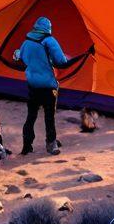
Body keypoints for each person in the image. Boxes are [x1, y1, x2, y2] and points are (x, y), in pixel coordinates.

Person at [14, 17, 93, 155]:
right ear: (48, 28)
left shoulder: (26, 42)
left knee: (31, 116)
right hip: (48, 86)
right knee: (49, 117)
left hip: (32, 85)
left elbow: (20, 57)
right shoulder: (49, 41)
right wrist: (83, 55)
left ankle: (26, 145)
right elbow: (61, 63)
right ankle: (51, 144)